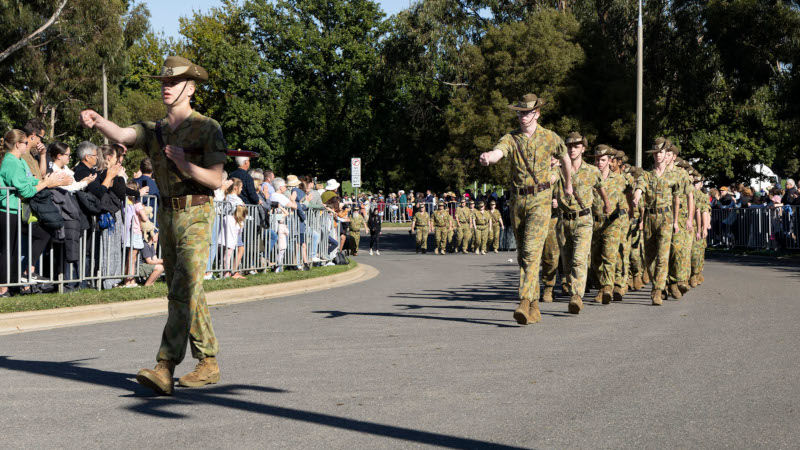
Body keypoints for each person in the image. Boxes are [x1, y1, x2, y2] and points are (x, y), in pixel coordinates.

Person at [80, 55, 227, 395]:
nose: (166, 87)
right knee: (189, 290)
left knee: (182, 289)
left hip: (198, 213)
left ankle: (165, 366)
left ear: (190, 88)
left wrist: (186, 166)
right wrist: (100, 121)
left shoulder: (208, 127)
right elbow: (123, 133)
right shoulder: (154, 130)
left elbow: (217, 179)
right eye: (163, 82)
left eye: (173, 82)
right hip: (168, 215)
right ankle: (208, 362)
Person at [479, 93, 574, 325]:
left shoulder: (550, 137)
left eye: (528, 113)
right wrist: (489, 157)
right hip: (517, 201)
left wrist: (568, 184)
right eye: (520, 113)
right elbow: (499, 151)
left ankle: (523, 301)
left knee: (531, 252)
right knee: (523, 255)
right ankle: (533, 305)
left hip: (541, 199)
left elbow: (565, 158)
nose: (523, 117)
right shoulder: (512, 138)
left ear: (537, 113)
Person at [0, 130, 71, 298]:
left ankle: (21, 278)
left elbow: (31, 181)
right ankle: (3, 289)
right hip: (7, 211)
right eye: (25, 142)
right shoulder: (11, 162)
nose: (28, 145)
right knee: (6, 251)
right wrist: (47, 183)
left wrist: (53, 182)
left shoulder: (20, 161)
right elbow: (25, 191)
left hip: (18, 211)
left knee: (37, 236)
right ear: (18, 144)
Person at [554, 133, 610, 315]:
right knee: (568, 263)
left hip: (584, 220)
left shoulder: (591, 171)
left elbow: (600, 187)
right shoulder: (559, 169)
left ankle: (576, 297)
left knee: (579, 259)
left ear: (583, 149)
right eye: (569, 146)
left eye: (576, 146)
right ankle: (573, 289)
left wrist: (607, 203)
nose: (572, 149)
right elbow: (548, 183)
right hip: (564, 221)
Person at [632, 137, 682, 305]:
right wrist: (637, 196)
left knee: (663, 256)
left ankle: (657, 291)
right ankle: (660, 283)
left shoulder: (674, 176)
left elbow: (677, 200)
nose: (657, 156)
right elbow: (640, 186)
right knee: (649, 259)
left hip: (666, 218)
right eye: (655, 153)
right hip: (649, 219)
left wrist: (675, 221)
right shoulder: (647, 175)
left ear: (665, 153)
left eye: (660, 152)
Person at [589, 145, 628, 304]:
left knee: (609, 257)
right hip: (595, 223)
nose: (599, 162)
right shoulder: (591, 178)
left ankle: (607, 288)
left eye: (603, 159)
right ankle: (602, 285)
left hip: (612, 223)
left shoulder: (619, 179)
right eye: (597, 159)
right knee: (596, 259)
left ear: (610, 161)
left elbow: (627, 197)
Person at [666, 148, 695, 299]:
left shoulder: (681, 174)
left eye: (668, 154)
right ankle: (664, 284)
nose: (665, 157)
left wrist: (690, 218)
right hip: (662, 216)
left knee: (678, 249)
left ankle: (675, 280)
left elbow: (690, 196)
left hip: (680, 217)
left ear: (673, 156)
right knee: (663, 252)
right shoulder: (657, 173)